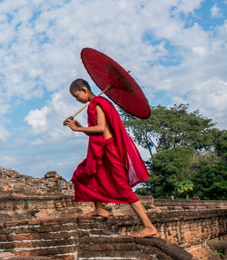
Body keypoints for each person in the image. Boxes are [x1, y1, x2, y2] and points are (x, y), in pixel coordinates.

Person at [63, 78, 158, 238]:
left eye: (77, 95)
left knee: (123, 188)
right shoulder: (96, 104)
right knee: (81, 174)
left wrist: (77, 130)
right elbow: (100, 130)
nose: (77, 99)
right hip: (102, 149)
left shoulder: (98, 103)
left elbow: (101, 128)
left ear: (84, 90)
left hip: (109, 150)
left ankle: (149, 226)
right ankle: (100, 208)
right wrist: (80, 127)